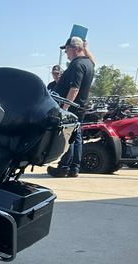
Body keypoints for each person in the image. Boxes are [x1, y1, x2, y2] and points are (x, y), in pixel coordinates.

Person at [47, 36, 95, 178]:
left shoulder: (77, 65)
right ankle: (74, 167)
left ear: (75, 49)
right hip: (81, 105)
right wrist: (86, 48)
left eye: (67, 49)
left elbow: (74, 88)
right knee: (76, 136)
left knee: (69, 136)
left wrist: (65, 108)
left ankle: (64, 167)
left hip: (72, 106)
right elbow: (94, 61)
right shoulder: (89, 63)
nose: (66, 53)